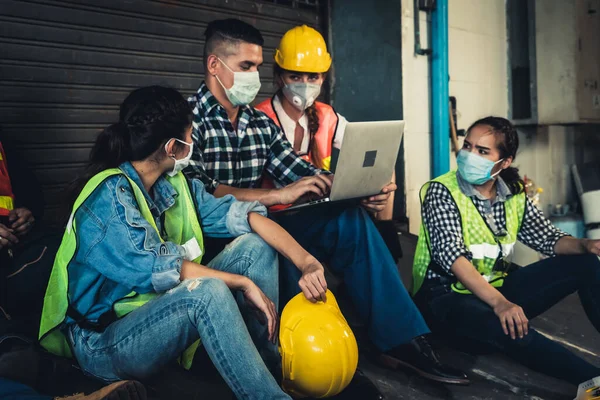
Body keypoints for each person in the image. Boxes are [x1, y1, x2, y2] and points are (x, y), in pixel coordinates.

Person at [184, 18, 469, 393]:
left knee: (348, 219)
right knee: (270, 244)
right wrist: (275, 196)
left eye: (256, 66)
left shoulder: (258, 124)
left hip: (265, 223)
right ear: (214, 65)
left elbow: (299, 171)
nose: (254, 76)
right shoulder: (186, 119)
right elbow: (198, 193)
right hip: (220, 241)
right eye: (245, 67)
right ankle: (299, 357)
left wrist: (352, 187)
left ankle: (399, 339)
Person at [38, 86, 337, 400]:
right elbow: (161, 269)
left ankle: (264, 371)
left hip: (156, 316)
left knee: (255, 246)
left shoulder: (175, 186)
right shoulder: (109, 197)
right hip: (103, 342)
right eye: (191, 136)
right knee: (207, 291)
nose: (193, 144)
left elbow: (246, 216)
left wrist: (307, 262)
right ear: (173, 148)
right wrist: (242, 283)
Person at [412, 116, 600, 385]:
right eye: (468, 146)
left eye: (482, 151)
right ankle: (593, 382)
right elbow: (452, 257)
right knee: (510, 329)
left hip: (493, 291)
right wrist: (502, 304)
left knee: (586, 263)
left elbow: (546, 237)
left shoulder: (512, 192)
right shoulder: (441, 191)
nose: (468, 155)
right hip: (445, 301)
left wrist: (585, 245)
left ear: (505, 162)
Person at [255, 25, 402, 261]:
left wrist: (376, 200)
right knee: (352, 220)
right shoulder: (259, 118)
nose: (304, 84)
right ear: (279, 76)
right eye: (295, 76)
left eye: (312, 77)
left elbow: (374, 155)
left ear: (323, 77)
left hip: (318, 207)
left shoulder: (327, 115)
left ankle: (384, 235)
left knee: (382, 168)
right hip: (276, 217)